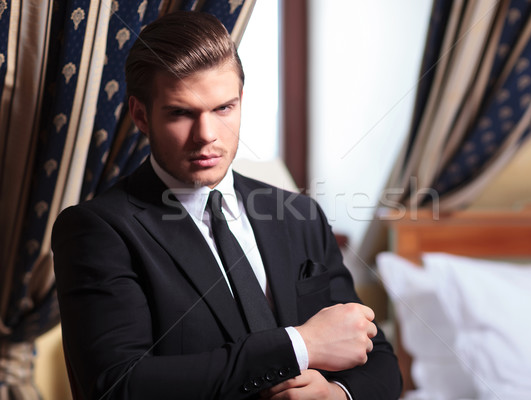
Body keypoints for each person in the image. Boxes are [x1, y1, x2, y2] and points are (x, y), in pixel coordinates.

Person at [52, 11, 402, 400]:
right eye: (181, 113)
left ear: (240, 102)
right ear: (141, 115)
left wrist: (337, 395)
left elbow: (376, 354)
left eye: (223, 109)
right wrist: (298, 345)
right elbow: (117, 386)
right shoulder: (97, 230)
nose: (207, 135)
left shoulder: (299, 215)